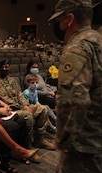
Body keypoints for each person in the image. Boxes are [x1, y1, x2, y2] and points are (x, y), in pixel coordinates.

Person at [48, 0, 102, 172]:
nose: (57, 26)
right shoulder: (98, 40)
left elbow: (74, 100)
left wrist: (63, 139)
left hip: (84, 143)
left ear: (69, 19)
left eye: (58, 21)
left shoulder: (77, 47)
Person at [0, 59, 56, 150]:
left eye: (7, 67)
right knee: (28, 115)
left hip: (21, 106)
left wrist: (25, 104)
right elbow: (4, 99)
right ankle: (27, 146)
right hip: (11, 109)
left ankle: (39, 139)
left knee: (43, 109)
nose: (5, 69)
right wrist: (22, 107)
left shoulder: (12, 80)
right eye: (3, 67)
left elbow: (19, 94)